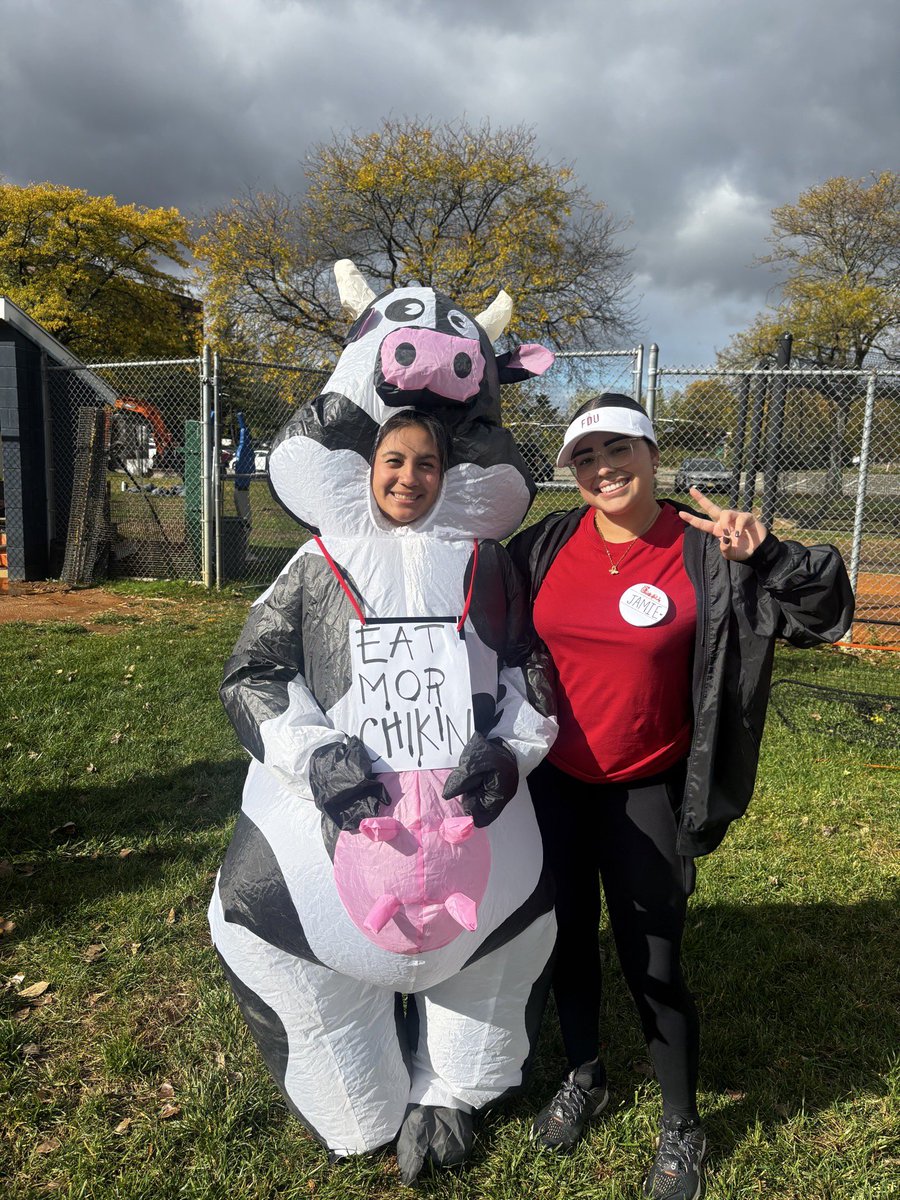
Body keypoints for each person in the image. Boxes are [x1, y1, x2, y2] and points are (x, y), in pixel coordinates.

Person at [208, 265, 558, 1184]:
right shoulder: (318, 563)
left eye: (427, 464)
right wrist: (315, 755)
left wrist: (512, 750)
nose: (410, 478)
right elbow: (253, 672)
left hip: (481, 856)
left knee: (498, 975)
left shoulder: (488, 566)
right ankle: (356, 1069)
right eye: (394, 463)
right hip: (323, 854)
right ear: (370, 469)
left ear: (450, 472)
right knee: (349, 1100)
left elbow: (533, 671)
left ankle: (452, 1084)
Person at [507, 392, 853, 1200]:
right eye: (584, 458)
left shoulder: (707, 549)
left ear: (653, 454)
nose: (602, 469)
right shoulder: (546, 544)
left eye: (618, 449)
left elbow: (826, 613)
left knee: (652, 959)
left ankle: (680, 1124)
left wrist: (766, 557)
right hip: (555, 784)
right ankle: (586, 1074)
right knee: (565, 942)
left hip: (651, 787)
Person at [232, 410, 254, 530]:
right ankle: (244, 525)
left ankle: (246, 525)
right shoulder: (245, 452)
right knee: (241, 506)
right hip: (240, 486)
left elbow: (244, 434)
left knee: (243, 507)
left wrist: (240, 419)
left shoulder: (244, 451)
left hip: (241, 487)